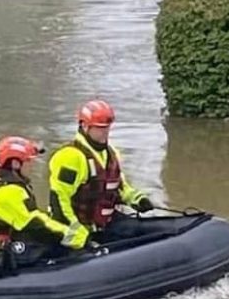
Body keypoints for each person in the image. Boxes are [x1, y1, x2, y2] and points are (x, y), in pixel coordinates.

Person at [0, 136, 90, 266]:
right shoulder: (8, 193)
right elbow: (36, 223)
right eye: (28, 161)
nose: (31, 166)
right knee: (46, 248)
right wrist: (74, 236)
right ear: (15, 164)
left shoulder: (3, 186)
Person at [48, 99, 155, 241]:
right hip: (79, 230)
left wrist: (137, 199)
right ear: (85, 126)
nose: (105, 132)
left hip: (106, 225)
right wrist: (76, 233)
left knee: (148, 231)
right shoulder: (71, 157)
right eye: (100, 128)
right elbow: (59, 201)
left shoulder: (111, 154)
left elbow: (120, 187)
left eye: (107, 128)